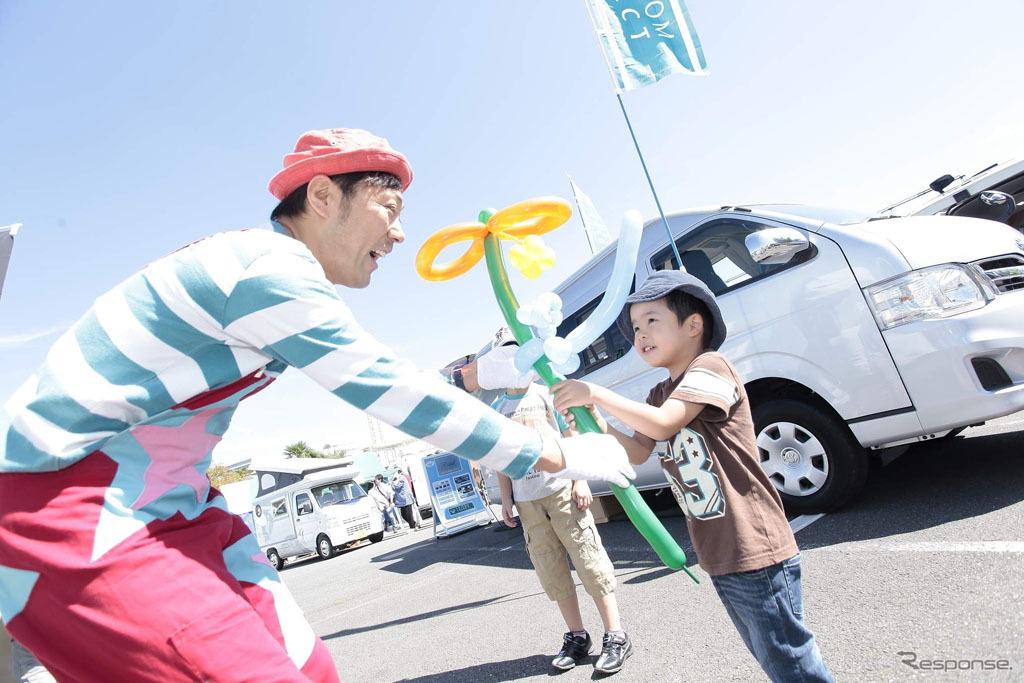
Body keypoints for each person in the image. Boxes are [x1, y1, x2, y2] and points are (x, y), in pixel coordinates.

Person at [0, 127, 635, 682]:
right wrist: (555, 453)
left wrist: (483, 372)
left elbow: (389, 376)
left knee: (310, 666)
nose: (400, 230)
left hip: (176, 506)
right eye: (388, 206)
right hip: (65, 505)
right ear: (325, 195)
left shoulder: (266, 271)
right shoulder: (268, 268)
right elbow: (387, 388)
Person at [551, 270, 832, 683]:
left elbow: (665, 425)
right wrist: (599, 422)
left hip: (754, 541)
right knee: (772, 655)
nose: (639, 334)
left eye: (651, 320)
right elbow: (637, 451)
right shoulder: (659, 394)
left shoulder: (711, 367)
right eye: (634, 327)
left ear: (693, 325)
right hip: (717, 547)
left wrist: (595, 393)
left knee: (789, 659)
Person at [486, 331, 632, 675]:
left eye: (517, 352)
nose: (513, 361)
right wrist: (506, 499)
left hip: (562, 489)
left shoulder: (546, 392)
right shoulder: (497, 409)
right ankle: (577, 637)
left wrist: (579, 479)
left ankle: (616, 634)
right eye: (505, 356)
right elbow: (502, 459)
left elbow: (570, 436)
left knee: (588, 559)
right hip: (527, 501)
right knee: (551, 569)